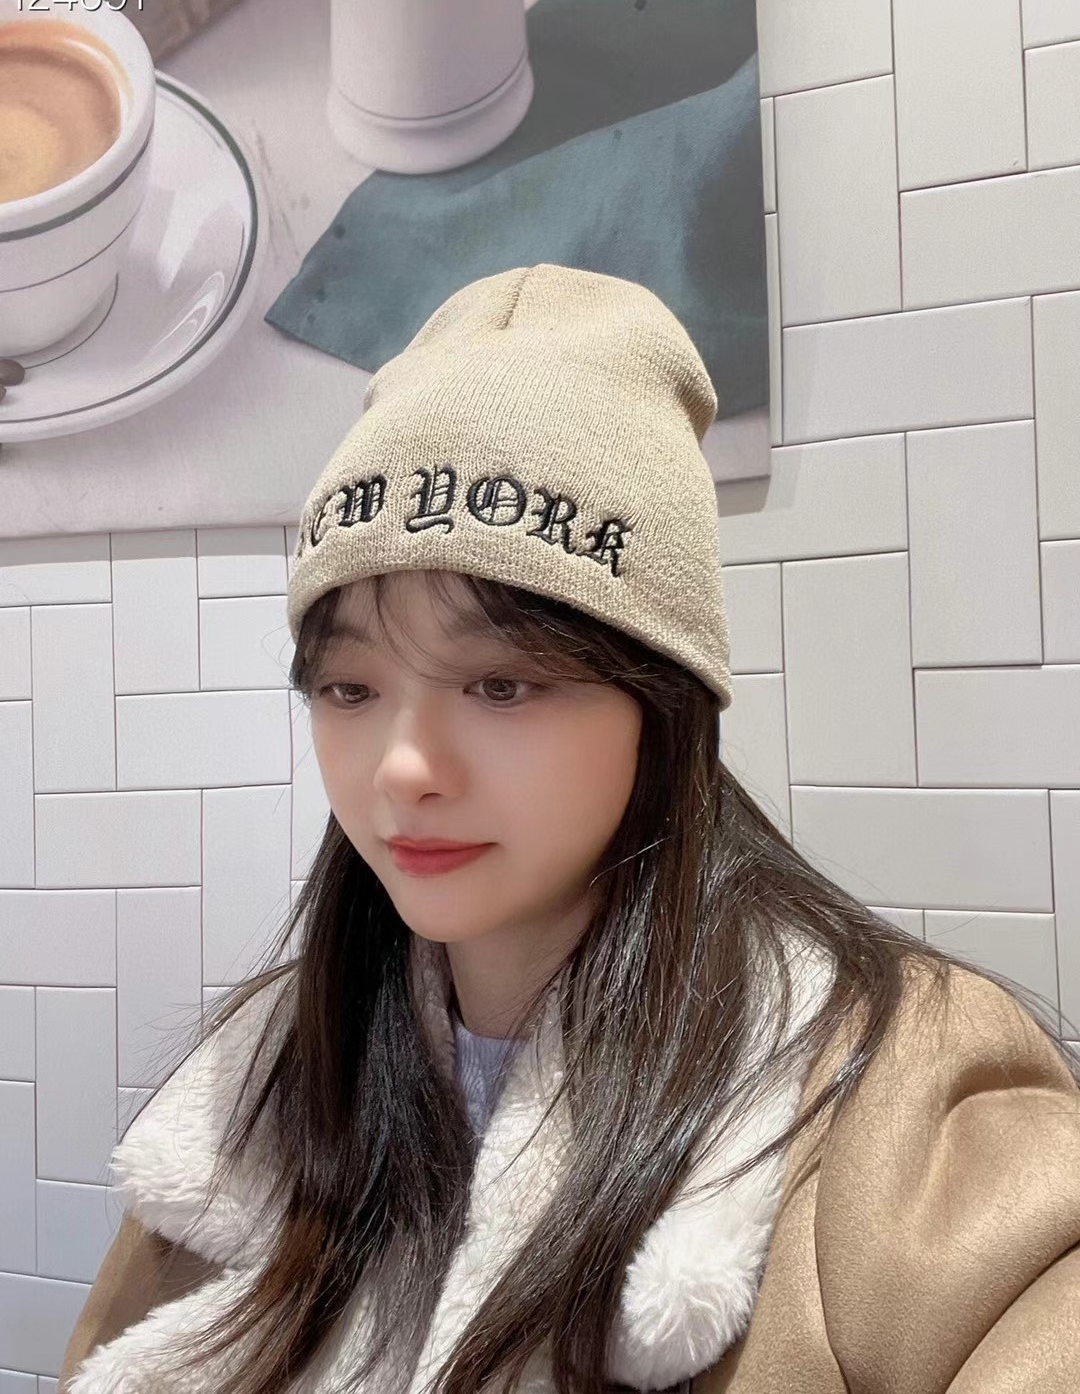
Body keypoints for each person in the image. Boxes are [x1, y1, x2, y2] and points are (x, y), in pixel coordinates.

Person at [60, 264, 1080, 1394]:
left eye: (501, 685)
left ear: (663, 704)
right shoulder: (264, 1082)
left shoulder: (902, 1103)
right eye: (349, 688)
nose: (403, 768)